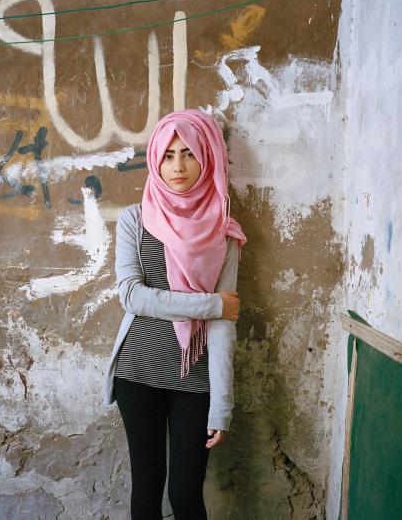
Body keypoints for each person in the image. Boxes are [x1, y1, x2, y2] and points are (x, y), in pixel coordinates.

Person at [103, 109, 247, 519]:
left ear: (207, 157)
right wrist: (211, 303)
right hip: (138, 371)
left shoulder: (224, 232)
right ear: (155, 160)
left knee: (185, 495)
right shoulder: (134, 219)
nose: (177, 166)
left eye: (188, 153)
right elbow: (132, 296)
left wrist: (222, 405)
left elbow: (224, 325)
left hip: (195, 377)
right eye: (167, 155)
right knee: (146, 490)